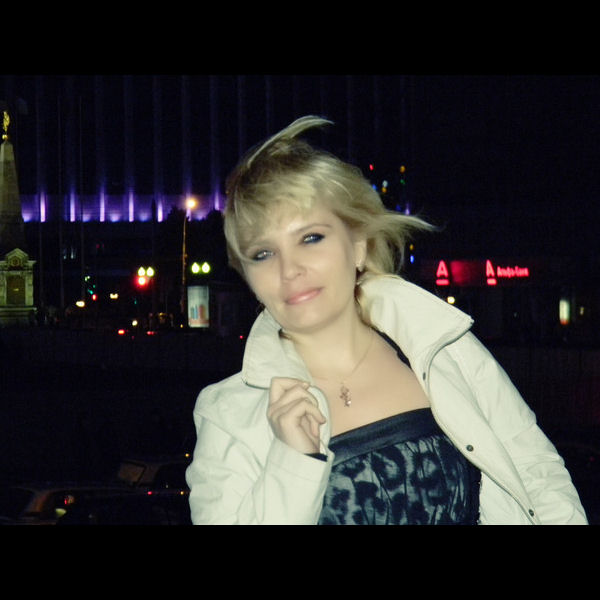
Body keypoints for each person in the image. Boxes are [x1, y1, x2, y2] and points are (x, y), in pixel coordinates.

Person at [185, 115, 588, 525]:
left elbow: (540, 478)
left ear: (358, 245)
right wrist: (292, 462)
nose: (289, 270)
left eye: (311, 238)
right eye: (263, 254)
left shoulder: (440, 349)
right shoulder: (228, 415)